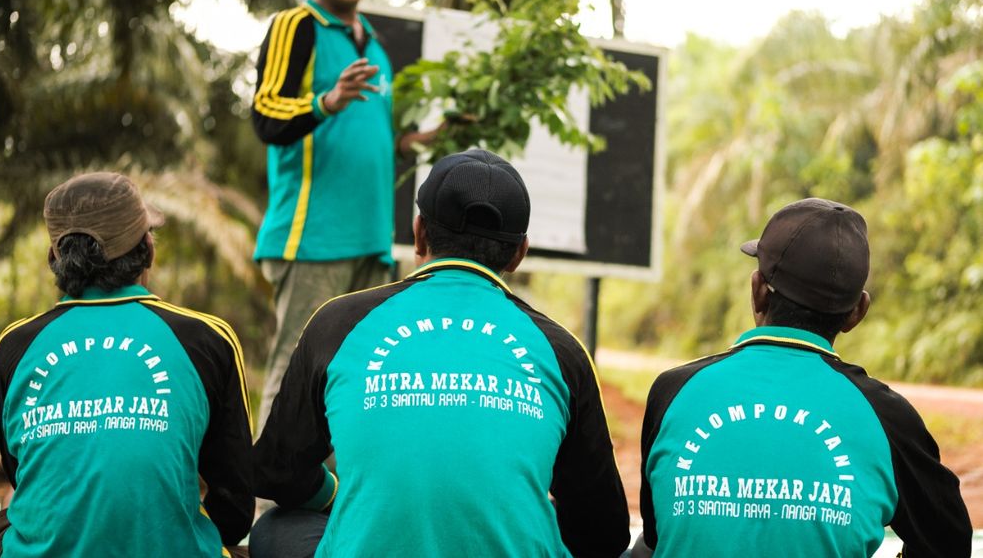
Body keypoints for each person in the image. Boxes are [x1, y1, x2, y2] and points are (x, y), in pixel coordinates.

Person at [252, 149, 631, 558]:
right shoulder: (560, 350)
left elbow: (276, 473)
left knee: (275, 528)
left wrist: (335, 497)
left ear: (419, 233)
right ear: (519, 254)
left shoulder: (338, 323)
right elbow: (604, 532)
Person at [637, 198, 972, 557]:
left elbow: (659, 531)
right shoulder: (887, 418)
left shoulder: (674, 392)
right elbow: (949, 542)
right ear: (857, 313)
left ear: (758, 291)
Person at [0, 172, 253, 557]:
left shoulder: (15, 345)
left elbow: (27, 473)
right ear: (148, 248)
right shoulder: (206, 338)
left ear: (54, 259)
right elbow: (235, 509)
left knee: (4, 521)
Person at [250, 0, 433, 429]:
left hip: (371, 238)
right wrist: (324, 102)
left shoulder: (373, 43)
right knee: (294, 374)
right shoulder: (296, 26)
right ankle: (271, 510)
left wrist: (412, 142)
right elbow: (266, 115)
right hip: (312, 238)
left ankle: (333, 503)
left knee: (356, 376)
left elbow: (367, 135)